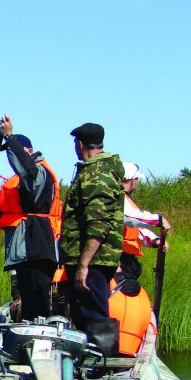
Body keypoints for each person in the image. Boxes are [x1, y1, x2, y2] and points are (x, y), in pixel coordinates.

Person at [0, 114, 62, 322]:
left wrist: (9, 138)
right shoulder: (20, 183)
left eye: (15, 152)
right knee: (28, 304)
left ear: (29, 152)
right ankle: (27, 333)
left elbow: (27, 168)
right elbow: (5, 216)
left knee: (39, 303)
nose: (11, 159)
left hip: (38, 243)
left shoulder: (39, 173)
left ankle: (41, 334)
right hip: (25, 250)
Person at [60, 122, 124, 355]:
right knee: (83, 315)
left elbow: (98, 224)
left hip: (93, 260)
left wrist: (83, 264)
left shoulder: (97, 174)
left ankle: (101, 367)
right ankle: (90, 364)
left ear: (80, 144)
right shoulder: (97, 170)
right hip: (91, 258)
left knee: (93, 315)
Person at [121, 162, 171, 270]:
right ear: (132, 180)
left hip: (125, 260)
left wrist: (155, 240)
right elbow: (130, 218)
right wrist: (159, 220)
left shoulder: (124, 199)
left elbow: (134, 230)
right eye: (137, 179)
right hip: (115, 259)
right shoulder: (117, 197)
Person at [108, 255, 154, 357]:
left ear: (120, 267)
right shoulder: (143, 293)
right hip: (133, 351)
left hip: (107, 347)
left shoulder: (108, 283)